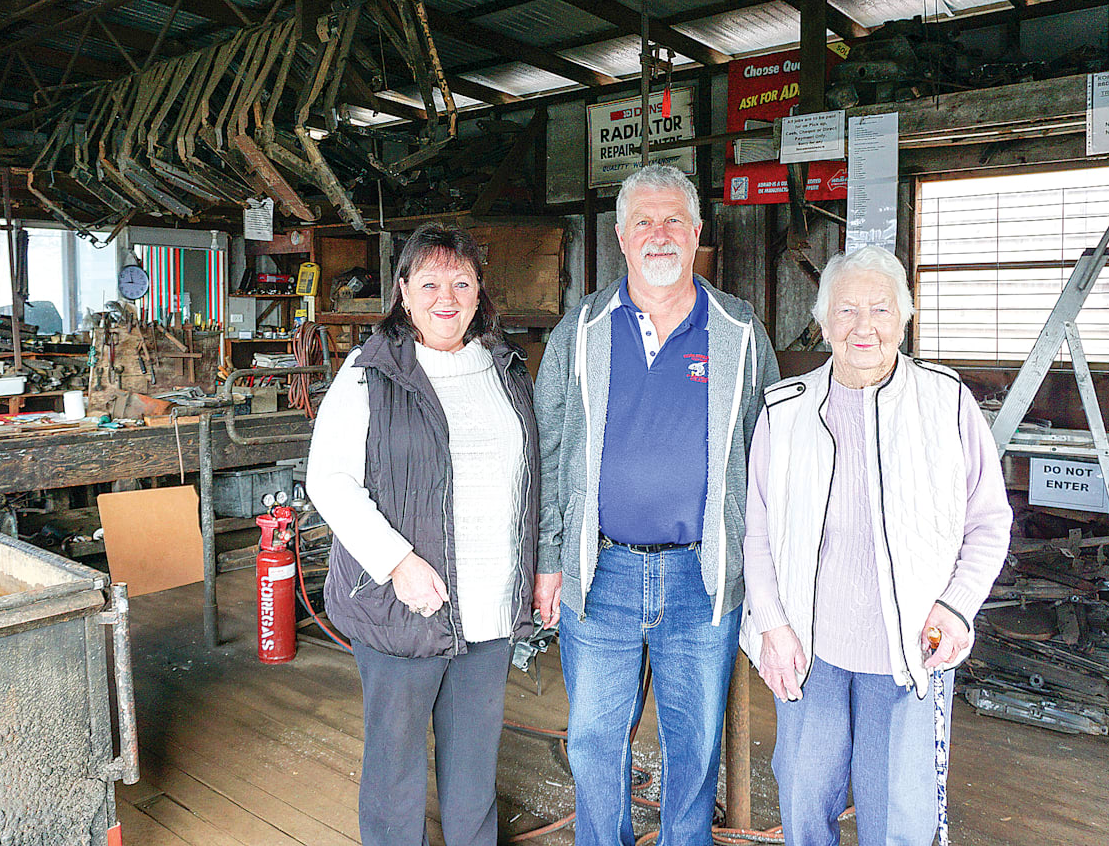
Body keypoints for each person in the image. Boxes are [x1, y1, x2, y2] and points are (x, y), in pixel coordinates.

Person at [534, 163, 779, 846]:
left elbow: (770, 458)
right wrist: (549, 560)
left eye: (674, 220)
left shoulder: (737, 329)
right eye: (644, 220)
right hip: (601, 572)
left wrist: (763, 577)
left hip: (702, 577)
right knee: (592, 741)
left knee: (694, 749)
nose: (659, 234)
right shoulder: (579, 332)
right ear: (620, 236)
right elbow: (548, 451)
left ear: (698, 231)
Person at [740, 245, 1013, 845]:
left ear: (904, 317)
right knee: (806, 799)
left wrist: (957, 604)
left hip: (912, 647)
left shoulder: (947, 402)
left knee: (898, 816)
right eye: (846, 311)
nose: (863, 326)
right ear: (823, 319)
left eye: (880, 310)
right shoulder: (784, 411)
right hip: (811, 647)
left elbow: (989, 522)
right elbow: (756, 532)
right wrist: (772, 624)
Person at [306, 223, 540, 846]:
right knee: (395, 770)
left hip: (488, 608)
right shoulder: (369, 373)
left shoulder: (504, 369)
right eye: (430, 282)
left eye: (461, 281)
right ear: (403, 291)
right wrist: (397, 561)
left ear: (479, 291)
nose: (447, 296)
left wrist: (536, 569)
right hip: (405, 604)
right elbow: (328, 480)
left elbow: (528, 480)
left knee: (473, 769)